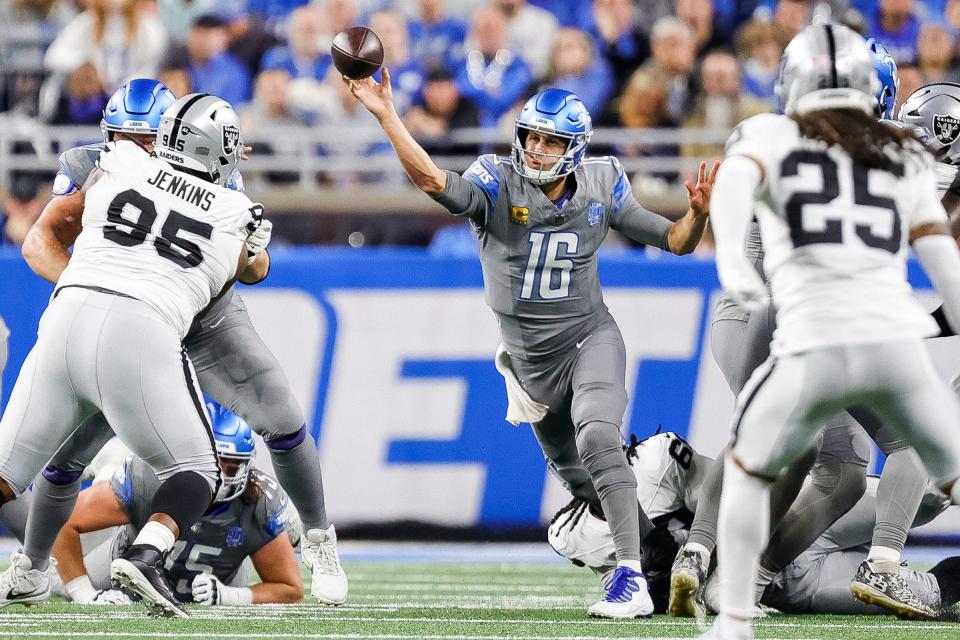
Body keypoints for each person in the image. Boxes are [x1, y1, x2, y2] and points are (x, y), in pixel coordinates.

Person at [346, 65, 717, 618]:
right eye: (532, 136)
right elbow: (432, 181)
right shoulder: (496, 182)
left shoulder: (601, 182)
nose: (537, 149)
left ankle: (631, 578)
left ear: (575, 147)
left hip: (590, 338)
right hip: (529, 366)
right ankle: (665, 559)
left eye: (551, 140)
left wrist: (695, 214)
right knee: (586, 485)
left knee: (598, 438)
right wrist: (387, 115)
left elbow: (674, 242)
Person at [19, 79, 347, 606]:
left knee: (282, 421)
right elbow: (40, 239)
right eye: (124, 138)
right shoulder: (98, 164)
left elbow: (256, 267)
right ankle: (30, 568)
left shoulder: (218, 177)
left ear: (177, 135)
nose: (136, 150)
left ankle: (318, 538)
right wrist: (100, 292)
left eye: (147, 139)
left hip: (205, 319)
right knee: (65, 456)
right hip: (130, 320)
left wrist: (251, 251)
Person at [670, 34, 941, 623]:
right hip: (791, 316)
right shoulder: (871, 160)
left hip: (754, 315)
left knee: (840, 470)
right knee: (870, 441)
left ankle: (711, 559)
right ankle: (875, 566)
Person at [0, 91, 263, 618]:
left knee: (6, 476)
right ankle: (147, 555)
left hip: (66, 315)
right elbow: (252, 268)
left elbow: (87, 172)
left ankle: (30, 571)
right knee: (199, 468)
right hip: (141, 327)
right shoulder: (238, 206)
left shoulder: (116, 161)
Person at [549, 431, 960, 618]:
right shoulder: (569, 533)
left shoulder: (658, 459)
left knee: (928, 495)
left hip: (793, 519)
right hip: (787, 586)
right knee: (929, 594)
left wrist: (676, 544)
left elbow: (737, 489)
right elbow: (646, 597)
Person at [53, 399, 303, 607]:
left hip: (220, 585)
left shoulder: (259, 501)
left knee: (285, 522)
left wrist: (231, 596)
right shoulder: (149, 478)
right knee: (56, 582)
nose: (220, 477)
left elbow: (291, 589)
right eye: (213, 462)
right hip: (120, 571)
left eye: (231, 465)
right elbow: (65, 520)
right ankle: (108, 466)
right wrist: (84, 594)